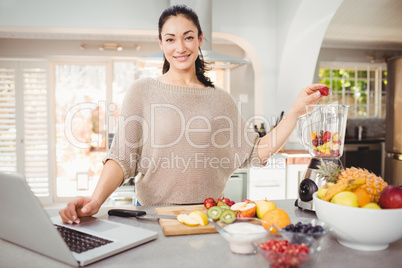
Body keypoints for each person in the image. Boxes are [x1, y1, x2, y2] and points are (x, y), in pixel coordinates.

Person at [59, 4, 324, 224]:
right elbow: (121, 158)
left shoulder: (221, 100)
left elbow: (257, 152)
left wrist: (295, 111)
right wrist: (96, 200)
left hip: (211, 215)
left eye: (188, 37)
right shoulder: (142, 92)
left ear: (199, 40)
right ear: (161, 43)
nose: (180, 47)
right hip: (153, 216)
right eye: (170, 39)